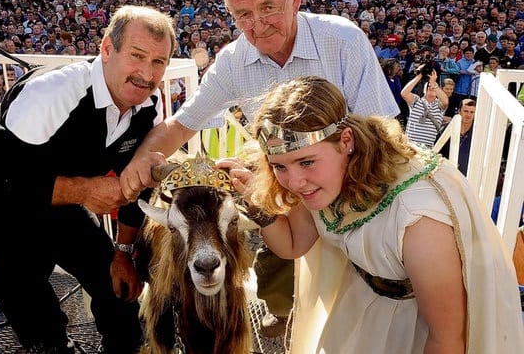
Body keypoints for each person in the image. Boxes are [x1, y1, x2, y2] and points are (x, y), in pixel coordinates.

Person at [119, 0, 398, 337]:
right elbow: (181, 124)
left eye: (268, 7)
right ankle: (283, 307)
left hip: (357, 189)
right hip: (293, 193)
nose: (257, 24)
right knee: (289, 263)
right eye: (243, 14)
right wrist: (142, 159)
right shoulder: (234, 61)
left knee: (365, 308)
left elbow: (380, 138)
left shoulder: (345, 42)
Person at [223, 75, 524, 353]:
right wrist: (255, 201)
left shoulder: (418, 219)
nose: (294, 182)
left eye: (306, 162)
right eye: (279, 167)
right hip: (362, 310)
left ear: (346, 141)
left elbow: (447, 337)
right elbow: (293, 244)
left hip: (412, 334)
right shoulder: (326, 178)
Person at [0, 6, 175, 353]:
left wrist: (123, 253)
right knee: (45, 334)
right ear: (107, 49)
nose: (146, 74)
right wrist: (86, 189)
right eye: (137, 56)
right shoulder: (50, 93)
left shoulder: (147, 106)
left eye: (159, 62)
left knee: (122, 302)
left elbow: (139, 184)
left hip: (60, 210)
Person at [401, 67, 448, 148]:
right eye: (428, 86)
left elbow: (445, 102)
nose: (431, 87)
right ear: (423, 90)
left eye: (433, 86)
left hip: (427, 148)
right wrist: (420, 75)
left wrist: (433, 83)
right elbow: (404, 93)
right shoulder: (416, 100)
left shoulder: (439, 105)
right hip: (410, 145)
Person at [439, 98, 476, 175]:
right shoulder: (447, 128)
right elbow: (438, 152)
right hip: (447, 174)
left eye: (472, 112)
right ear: (459, 111)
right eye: (465, 111)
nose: (468, 115)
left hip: (469, 176)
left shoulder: (478, 132)